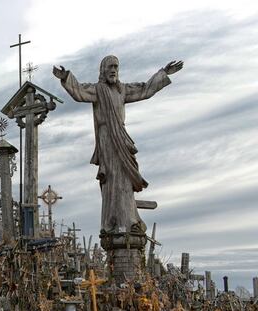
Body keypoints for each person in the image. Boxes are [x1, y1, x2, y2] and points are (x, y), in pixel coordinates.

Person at [53, 56, 183, 234]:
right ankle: (113, 219)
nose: (113, 70)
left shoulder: (123, 89)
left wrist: (164, 73)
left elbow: (144, 89)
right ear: (103, 70)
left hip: (121, 137)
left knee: (125, 179)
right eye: (110, 67)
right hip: (107, 137)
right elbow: (79, 93)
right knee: (113, 176)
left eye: (116, 67)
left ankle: (128, 218)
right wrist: (65, 77)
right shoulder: (98, 90)